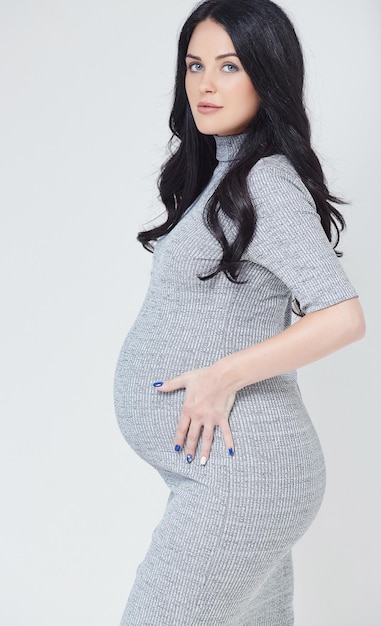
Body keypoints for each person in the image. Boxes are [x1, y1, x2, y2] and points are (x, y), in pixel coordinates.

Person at [114, 0, 365, 623]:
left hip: (246, 476)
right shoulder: (221, 177)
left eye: (229, 66)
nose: (205, 83)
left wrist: (220, 375)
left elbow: (342, 316)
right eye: (195, 65)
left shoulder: (266, 183)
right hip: (226, 472)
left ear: (267, 73)